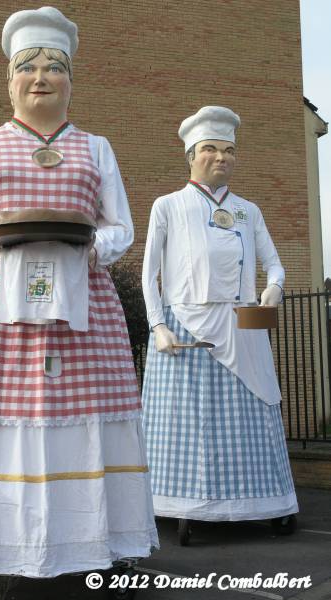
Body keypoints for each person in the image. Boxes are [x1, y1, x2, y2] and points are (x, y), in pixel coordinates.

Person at [0, 6, 158, 588]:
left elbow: (121, 227)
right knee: (1, 416)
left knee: (85, 418)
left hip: (84, 308)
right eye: (27, 67)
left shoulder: (97, 148)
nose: (40, 78)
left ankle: (97, 543)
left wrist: (87, 249)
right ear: (9, 81)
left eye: (54, 67)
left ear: (71, 81)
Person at [141, 106, 298, 544]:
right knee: (187, 419)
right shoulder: (168, 206)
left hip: (242, 325)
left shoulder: (249, 211)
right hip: (184, 326)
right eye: (210, 148)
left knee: (253, 412)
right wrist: (158, 325)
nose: (221, 157)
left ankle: (265, 501)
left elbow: (275, 264)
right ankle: (183, 503)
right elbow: (149, 273)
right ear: (191, 155)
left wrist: (274, 288)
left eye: (229, 150)